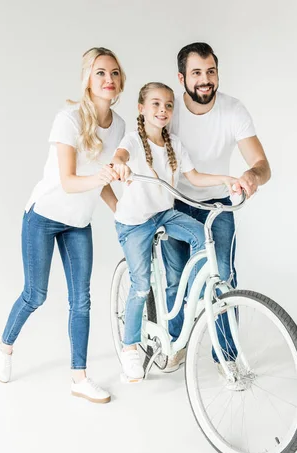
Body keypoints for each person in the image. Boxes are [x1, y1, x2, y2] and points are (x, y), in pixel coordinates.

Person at [0, 47, 126, 403]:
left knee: (81, 300)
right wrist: (100, 176)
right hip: (43, 217)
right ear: (87, 79)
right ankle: (4, 345)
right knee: (35, 294)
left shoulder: (120, 127)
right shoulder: (68, 119)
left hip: (78, 223)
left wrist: (121, 210)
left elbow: (105, 183)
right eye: (100, 73)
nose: (108, 79)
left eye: (114, 73)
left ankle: (79, 377)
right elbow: (68, 181)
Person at [111, 82, 241, 383]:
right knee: (141, 284)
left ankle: (194, 294)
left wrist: (226, 178)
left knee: (201, 234)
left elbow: (194, 176)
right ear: (141, 109)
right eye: (156, 104)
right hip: (135, 223)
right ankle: (131, 349)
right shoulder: (132, 141)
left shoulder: (174, 144)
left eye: (169, 105)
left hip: (163, 215)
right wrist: (119, 166)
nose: (163, 110)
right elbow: (119, 156)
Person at [161, 42, 271, 372]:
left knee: (223, 279)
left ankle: (226, 356)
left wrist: (253, 175)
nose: (205, 79)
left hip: (216, 206)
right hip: (175, 203)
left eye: (211, 71)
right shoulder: (170, 112)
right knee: (174, 278)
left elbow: (262, 164)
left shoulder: (233, 110)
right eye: (196, 73)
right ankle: (175, 344)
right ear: (182, 78)